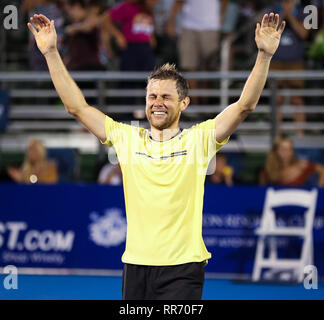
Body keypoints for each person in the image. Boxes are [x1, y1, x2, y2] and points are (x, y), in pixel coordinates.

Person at [28, 12, 285, 299]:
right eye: (152, 96)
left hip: (183, 268)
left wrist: (263, 55)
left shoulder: (199, 140)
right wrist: (51, 52)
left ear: (184, 103)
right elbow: (77, 107)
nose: (157, 103)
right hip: (136, 265)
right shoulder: (127, 137)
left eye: (166, 97)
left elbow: (243, 107)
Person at [270, 0, 309, 136]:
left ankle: (300, 134)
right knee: (277, 99)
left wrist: (290, 16)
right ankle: (276, 134)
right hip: (275, 61)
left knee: (297, 99)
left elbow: (303, 34)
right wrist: (282, 15)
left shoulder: (305, 11)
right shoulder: (273, 9)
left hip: (296, 62)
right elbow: (269, 33)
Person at [259, 136, 324, 187]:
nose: (286, 153)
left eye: (290, 149)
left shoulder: (300, 165)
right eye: (283, 149)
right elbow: (262, 192)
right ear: (276, 151)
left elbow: (322, 169)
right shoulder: (268, 171)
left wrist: (319, 189)